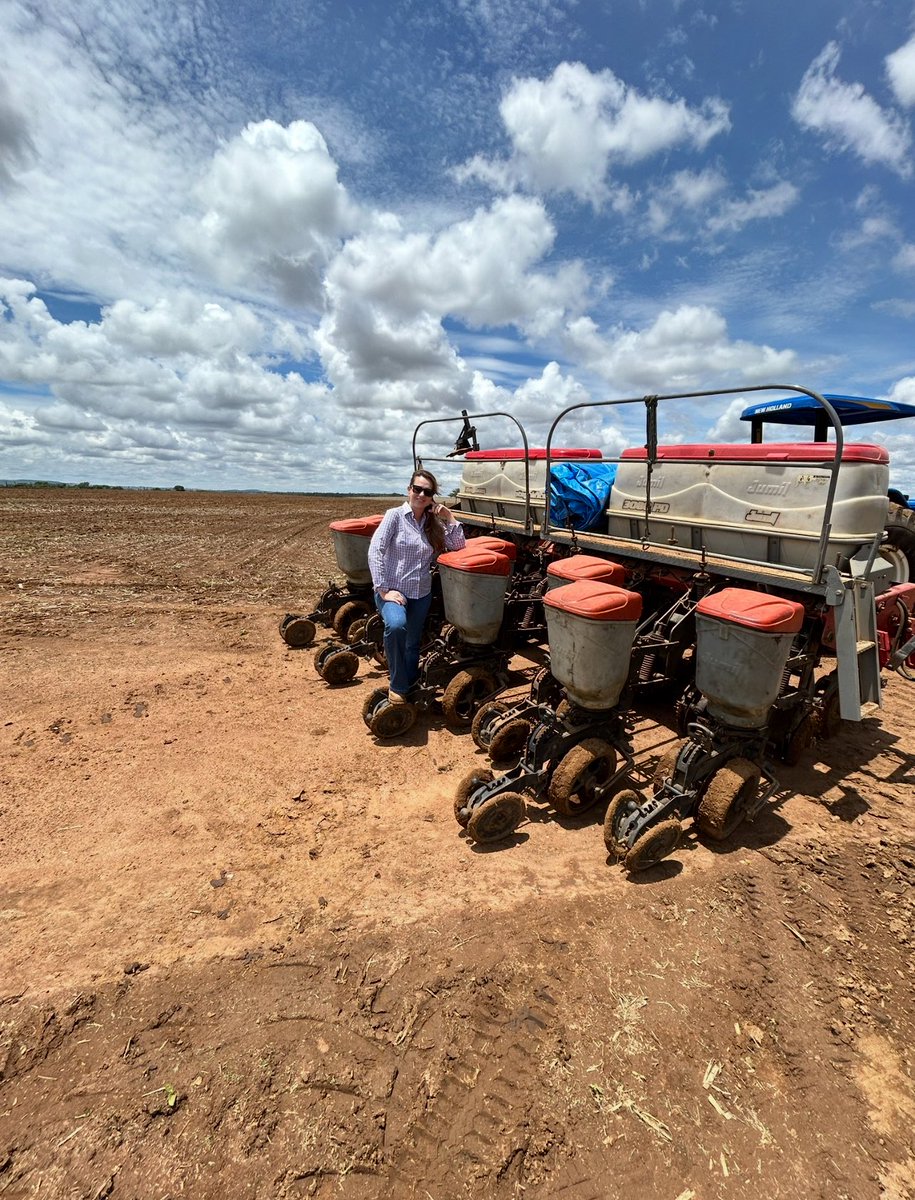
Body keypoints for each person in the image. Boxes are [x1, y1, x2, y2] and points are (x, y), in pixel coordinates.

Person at [368, 468, 466, 703]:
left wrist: (449, 517)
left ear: (432, 496)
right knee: (396, 626)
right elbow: (376, 549)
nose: (421, 494)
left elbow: (458, 545)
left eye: (427, 491)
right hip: (392, 591)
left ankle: (410, 682)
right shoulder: (394, 516)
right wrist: (383, 589)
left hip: (420, 594)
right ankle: (398, 685)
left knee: (412, 643)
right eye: (417, 488)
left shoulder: (432, 524)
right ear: (409, 489)